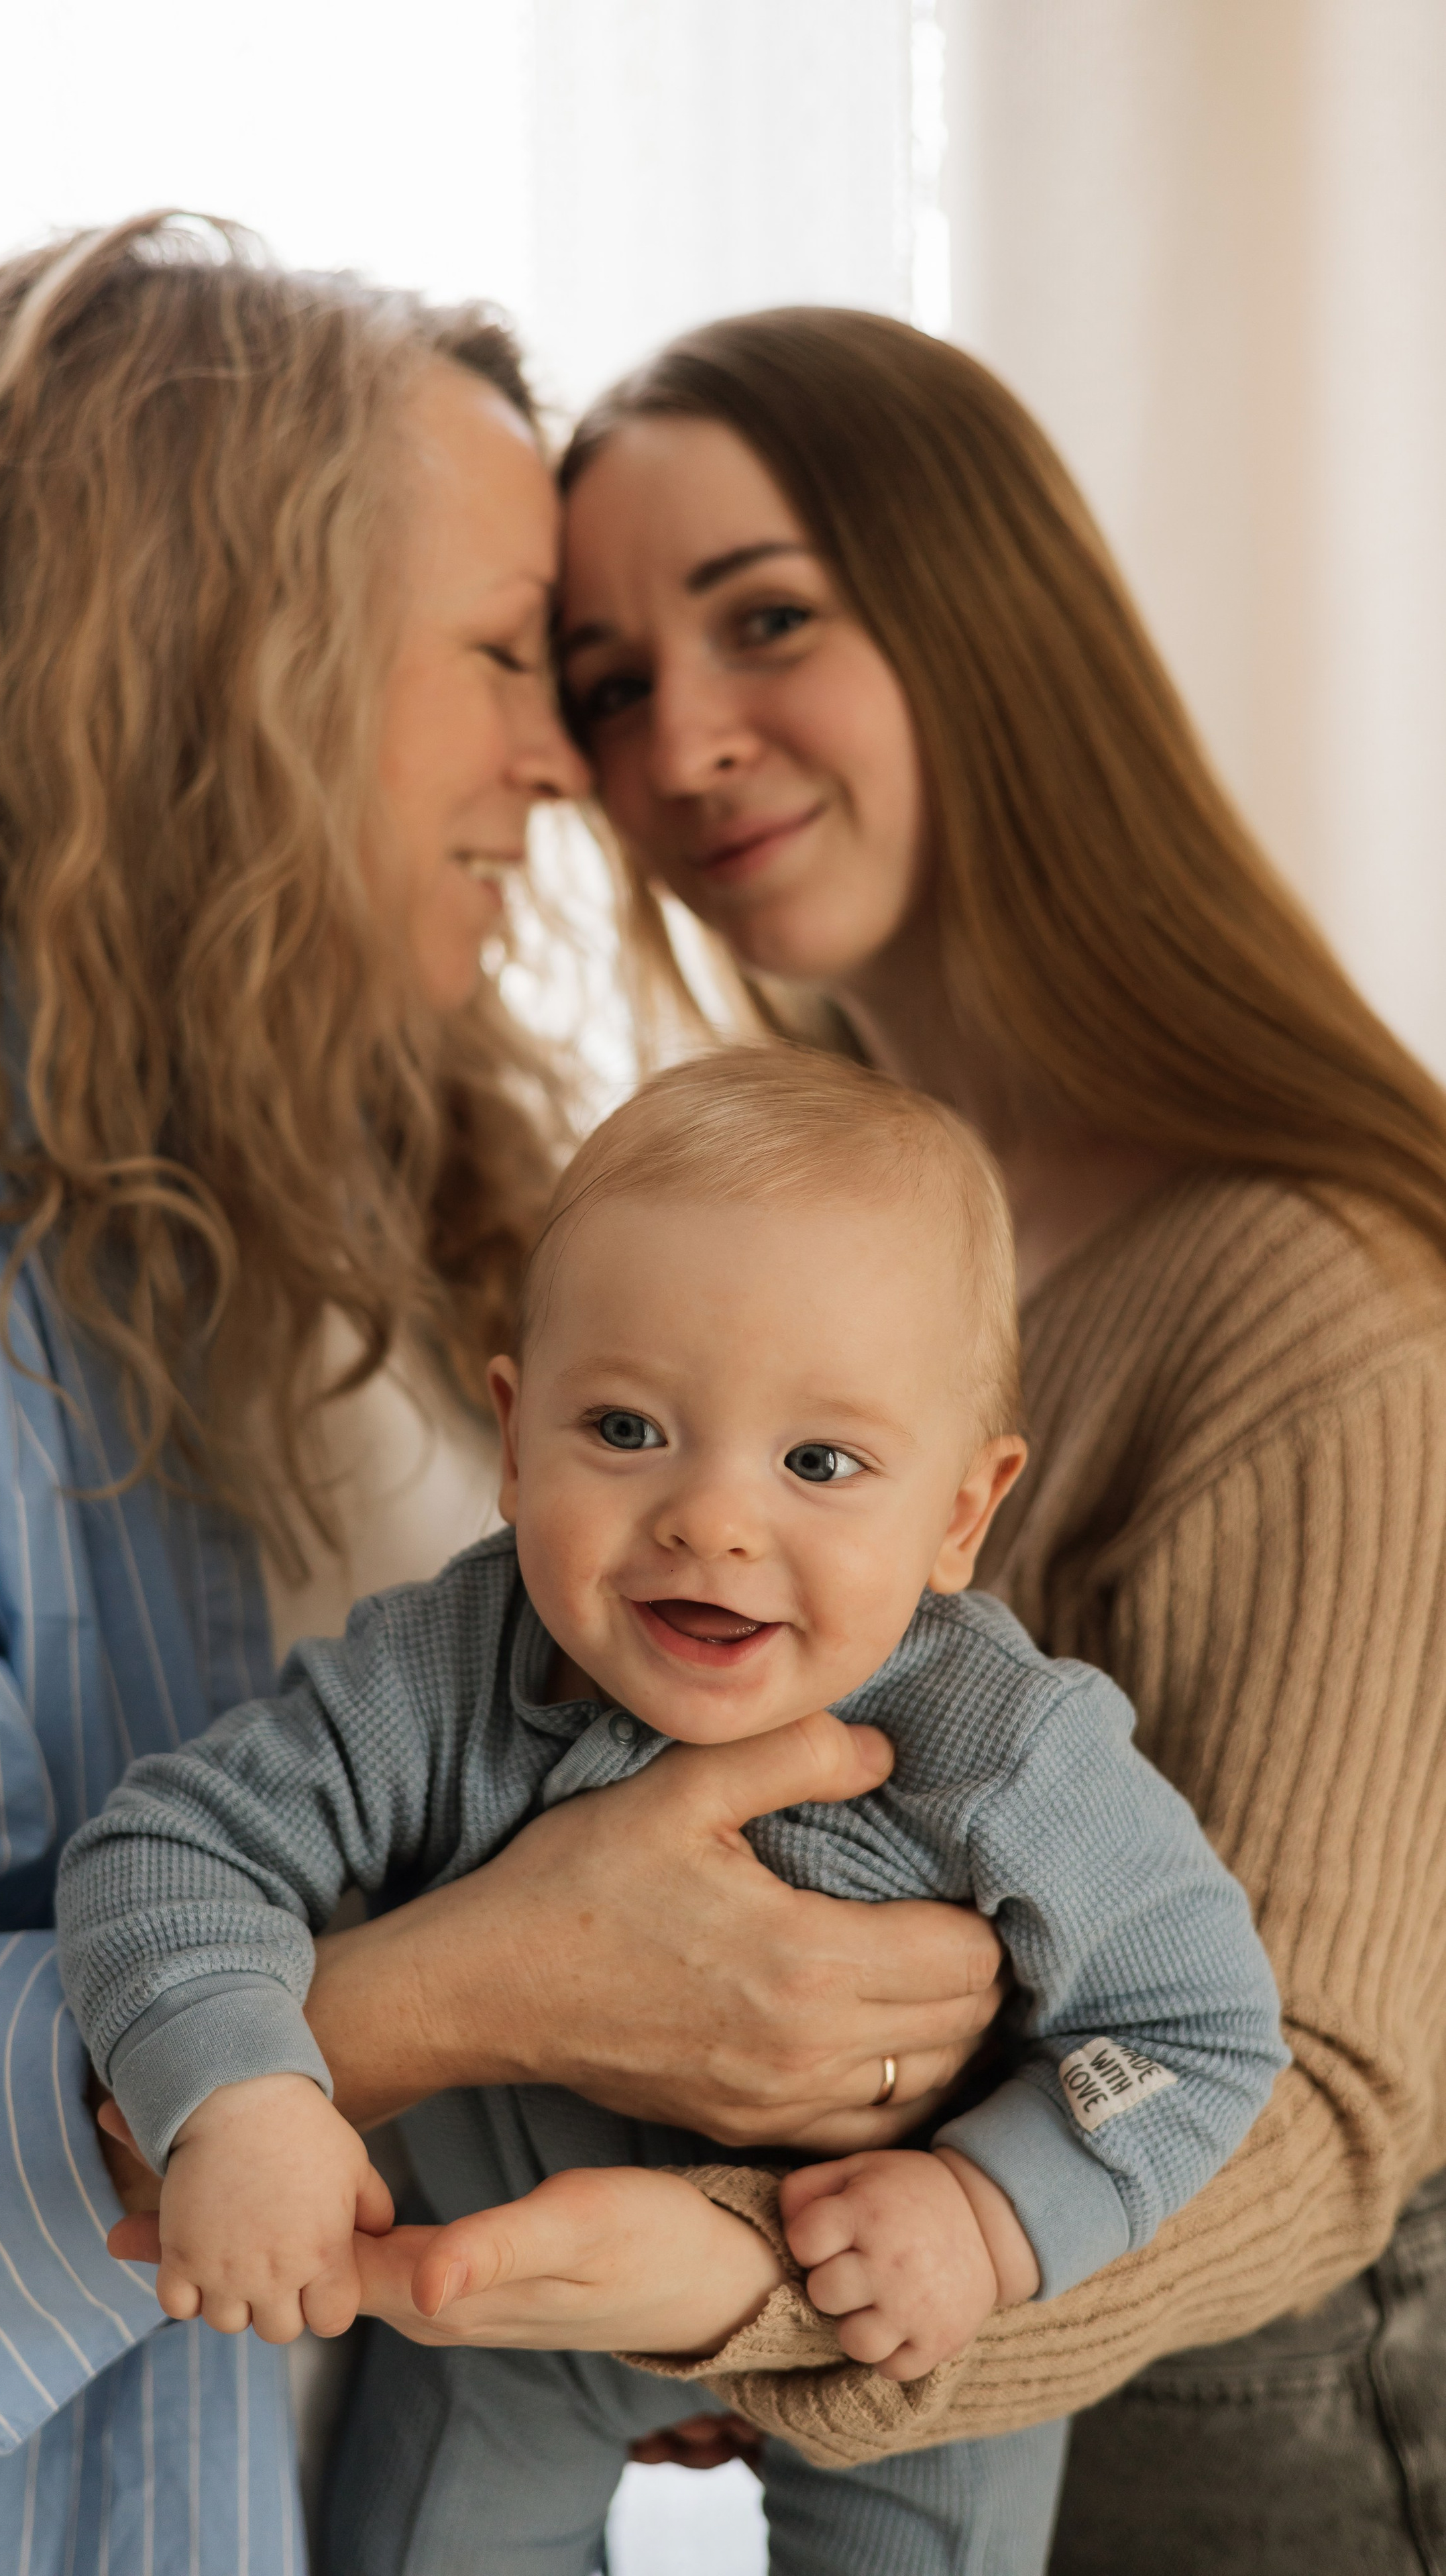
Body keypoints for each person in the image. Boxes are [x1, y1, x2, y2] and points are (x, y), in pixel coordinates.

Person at [0, 228, 1010, 2569]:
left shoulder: (402, 1181)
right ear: (243, 662)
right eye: (514, 657)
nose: (569, 762)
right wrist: (472, 1997)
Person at [506, 309, 1446, 2567]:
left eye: (766, 621)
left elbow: (1320, 2104)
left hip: (1261, 2443)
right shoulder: (788, 1282)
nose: (686, 743)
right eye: (614, 681)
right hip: (953, 2422)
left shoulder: (1314, 1295)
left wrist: (780, 2289)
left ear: (983, 624)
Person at [56, 1046, 1286, 2576]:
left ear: (960, 1512)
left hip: (887, 2317)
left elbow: (1197, 2031)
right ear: (514, 1440)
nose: (711, 1518)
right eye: (625, 1431)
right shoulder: (446, 1664)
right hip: (483, 2313)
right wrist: (240, 2096)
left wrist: (987, 2209)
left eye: (820, 1462)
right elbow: (171, 1850)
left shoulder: (1006, 1746)